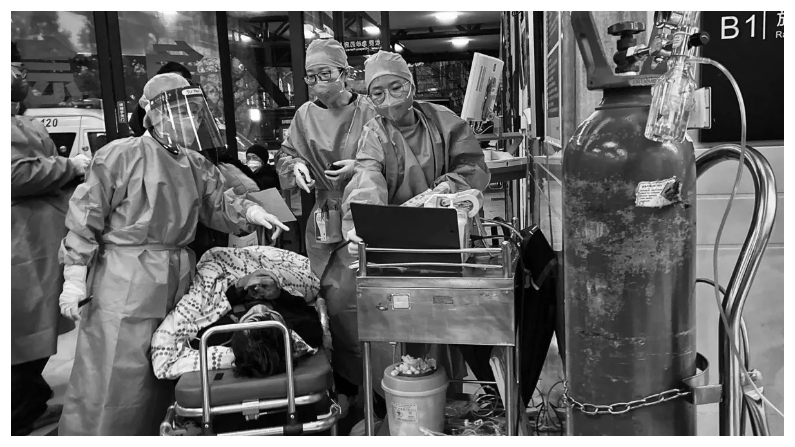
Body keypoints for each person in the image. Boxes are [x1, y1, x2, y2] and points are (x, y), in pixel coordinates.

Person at [56, 73, 289, 436]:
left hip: (177, 274)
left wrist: (252, 212)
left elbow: (219, 203)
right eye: (182, 111)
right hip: (125, 277)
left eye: (195, 112)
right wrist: (73, 276)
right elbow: (86, 216)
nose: (190, 120)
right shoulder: (120, 155)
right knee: (115, 370)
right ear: (153, 113)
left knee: (170, 365)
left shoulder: (194, 163)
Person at [320, 50, 491, 420]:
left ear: (412, 85)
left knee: (449, 319)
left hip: (450, 236)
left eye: (396, 87)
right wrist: (358, 227)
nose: (388, 100)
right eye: (377, 93)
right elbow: (367, 178)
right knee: (405, 317)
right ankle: (409, 401)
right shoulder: (375, 132)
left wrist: (447, 188)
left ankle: (451, 398)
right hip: (399, 239)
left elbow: (473, 166)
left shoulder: (444, 121)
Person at [11, 56, 91, 436]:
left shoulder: (16, 120)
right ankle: (19, 410)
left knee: (35, 329)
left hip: (37, 236)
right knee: (24, 333)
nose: (20, 75)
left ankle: (30, 400)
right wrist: (70, 167)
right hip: (21, 242)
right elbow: (14, 173)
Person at [275, 38, 377, 280]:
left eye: (325, 74)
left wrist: (360, 167)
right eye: (311, 76)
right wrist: (296, 165)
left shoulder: (370, 110)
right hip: (324, 212)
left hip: (366, 208)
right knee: (324, 281)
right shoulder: (305, 115)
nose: (318, 83)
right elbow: (286, 154)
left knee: (363, 280)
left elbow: (394, 159)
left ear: (345, 73)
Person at [151, 246, 329, 380]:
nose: (259, 308)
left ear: (238, 324)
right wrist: (278, 294)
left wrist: (238, 288)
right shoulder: (299, 330)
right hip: (274, 274)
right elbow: (307, 312)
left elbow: (203, 309)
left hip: (225, 277)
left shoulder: (215, 336)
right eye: (269, 314)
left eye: (252, 317)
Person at [129, 61, 193, 137]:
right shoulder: (151, 101)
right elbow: (137, 128)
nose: (172, 87)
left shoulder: (195, 101)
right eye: (167, 82)